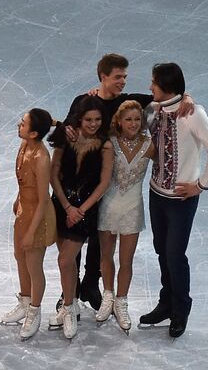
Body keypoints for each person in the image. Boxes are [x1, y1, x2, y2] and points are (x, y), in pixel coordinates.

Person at [58, 53, 193, 311]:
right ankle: (70, 291)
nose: (123, 81)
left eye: (125, 77)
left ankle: (90, 284)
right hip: (83, 183)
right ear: (103, 77)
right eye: (118, 77)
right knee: (75, 239)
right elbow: (69, 130)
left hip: (110, 185)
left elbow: (164, 96)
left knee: (99, 242)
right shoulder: (83, 101)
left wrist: (186, 97)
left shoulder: (128, 102)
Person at [139, 62, 208, 338]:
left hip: (180, 200)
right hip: (156, 194)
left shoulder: (193, 114)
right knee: (161, 250)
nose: (149, 86)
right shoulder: (153, 110)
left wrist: (201, 185)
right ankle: (166, 302)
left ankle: (180, 308)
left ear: (167, 86)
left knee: (175, 254)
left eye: (153, 82)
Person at [47, 96, 113, 339]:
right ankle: (71, 304)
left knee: (65, 261)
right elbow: (54, 174)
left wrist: (80, 210)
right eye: (89, 120)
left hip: (85, 211)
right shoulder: (67, 138)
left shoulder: (105, 145)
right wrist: (67, 207)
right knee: (69, 262)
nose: (94, 124)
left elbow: (104, 183)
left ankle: (67, 308)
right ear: (79, 119)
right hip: (61, 205)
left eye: (97, 119)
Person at [96, 100, 152, 331]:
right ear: (119, 121)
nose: (133, 123)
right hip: (108, 206)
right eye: (128, 119)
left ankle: (121, 301)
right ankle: (107, 296)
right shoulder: (110, 143)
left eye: (137, 119)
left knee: (126, 261)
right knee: (106, 256)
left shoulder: (150, 145)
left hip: (132, 209)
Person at [6, 108, 56, 340]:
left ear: (34, 133)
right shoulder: (24, 146)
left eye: (23, 123)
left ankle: (34, 311)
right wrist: (17, 201)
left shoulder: (41, 158)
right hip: (24, 212)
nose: (19, 125)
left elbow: (44, 198)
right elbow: (24, 183)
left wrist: (31, 232)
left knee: (34, 265)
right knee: (20, 258)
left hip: (38, 217)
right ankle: (25, 301)